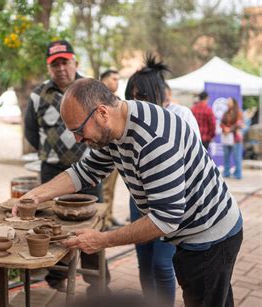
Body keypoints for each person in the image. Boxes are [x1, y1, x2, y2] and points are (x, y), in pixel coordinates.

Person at [16, 78, 243, 307]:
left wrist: (103, 240)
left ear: (102, 112)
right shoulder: (116, 125)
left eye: (78, 130)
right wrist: (35, 195)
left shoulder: (153, 141)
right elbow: (84, 172)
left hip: (209, 235)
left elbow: (165, 220)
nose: (77, 139)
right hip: (194, 230)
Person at [24, 39, 104, 293]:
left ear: (75, 63)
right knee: (52, 227)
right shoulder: (38, 95)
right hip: (52, 172)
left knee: (91, 225)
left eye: (65, 62)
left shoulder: (91, 89)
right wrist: (51, 152)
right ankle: (56, 279)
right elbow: (31, 132)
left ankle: (98, 282)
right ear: (49, 68)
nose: (60, 68)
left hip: (89, 170)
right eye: (55, 64)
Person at [123, 56, 201, 306]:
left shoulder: (181, 115)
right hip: (138, 201)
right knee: (144, 261)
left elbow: (189, 161)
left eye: (142, 96)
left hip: (170, 203)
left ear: (159, 93)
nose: (137, 102)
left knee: (162, 263)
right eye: (132, 96)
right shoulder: (129, 122)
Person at [99, 69, 123, 228]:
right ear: (104, 80)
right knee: (105, 189)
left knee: (111, 188)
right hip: (101, 152)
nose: (117, 82)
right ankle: (105, 220)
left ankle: (110, 215)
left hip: (116, 151)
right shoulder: (96, 98)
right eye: (114, 79)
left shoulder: (116, 99)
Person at [221, 97, 244, 180]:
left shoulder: (238, 112)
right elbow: (221, 123)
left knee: (237, 157)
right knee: (226, 156)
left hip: (236, 138)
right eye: (227, 101)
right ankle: (226, 172)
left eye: (229, 101)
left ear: (233, 103)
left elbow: (239, 123)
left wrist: (229, 129)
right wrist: (224, 128)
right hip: (226, 138)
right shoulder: (226, 113)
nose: (228, 103)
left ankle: (238, 174)